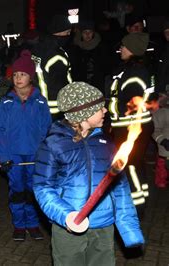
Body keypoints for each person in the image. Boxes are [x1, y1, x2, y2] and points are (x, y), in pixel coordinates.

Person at [33, 82, 144, 265]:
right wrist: (66, 215)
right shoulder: (54, 144)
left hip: (103, 226)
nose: (105, 111)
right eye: (100, 107)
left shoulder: (105, 144)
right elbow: (42, 187)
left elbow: (120, 188)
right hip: (69, 227)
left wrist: (129, 229)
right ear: (83, 113)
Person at [0, 50, 52, 241]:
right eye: (15, 74)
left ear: (31, 77)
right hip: (14, 157)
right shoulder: (6, 102)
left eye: (23, 74)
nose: (18, 78)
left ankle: (33, 223)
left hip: (34, 155)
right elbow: (0, 131)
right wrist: (4, 157)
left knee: (32, 190)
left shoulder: (40, 101)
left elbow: (46, 129)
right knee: (17, 191)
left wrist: (44, 153)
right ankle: (19, 225)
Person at [108, 32, 153, 206]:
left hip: (131, 128)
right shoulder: (129, 69)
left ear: (133, 50)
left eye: (124, 46)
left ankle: (136, 206)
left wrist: (111, 109)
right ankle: (140, 200)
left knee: (130, 165)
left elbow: (132, 104)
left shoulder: (134, 73)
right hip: (129, 127)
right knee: (135, 165)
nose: (120, 49)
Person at [32, 14, 73, 117]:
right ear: (58, 32)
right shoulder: (57, 55)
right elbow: (60, 83)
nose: (69, 35)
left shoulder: (38, 49)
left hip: (36, 102)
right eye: (67, 32)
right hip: (54, 106)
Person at [70, 21, 110, 90]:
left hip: (97, 86)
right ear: (81, 34)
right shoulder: (75, 49)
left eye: (90, 32)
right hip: (80, 87)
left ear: (93, 33)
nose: (87, 34)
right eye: (85, 32)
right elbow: (73, 69)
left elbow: (106, 68)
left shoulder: (101, 47)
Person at [152, 91, 169, 188]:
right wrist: (163, 141)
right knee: (162, 168)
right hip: (166, 151)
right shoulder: (161, 113)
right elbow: (155, 130)